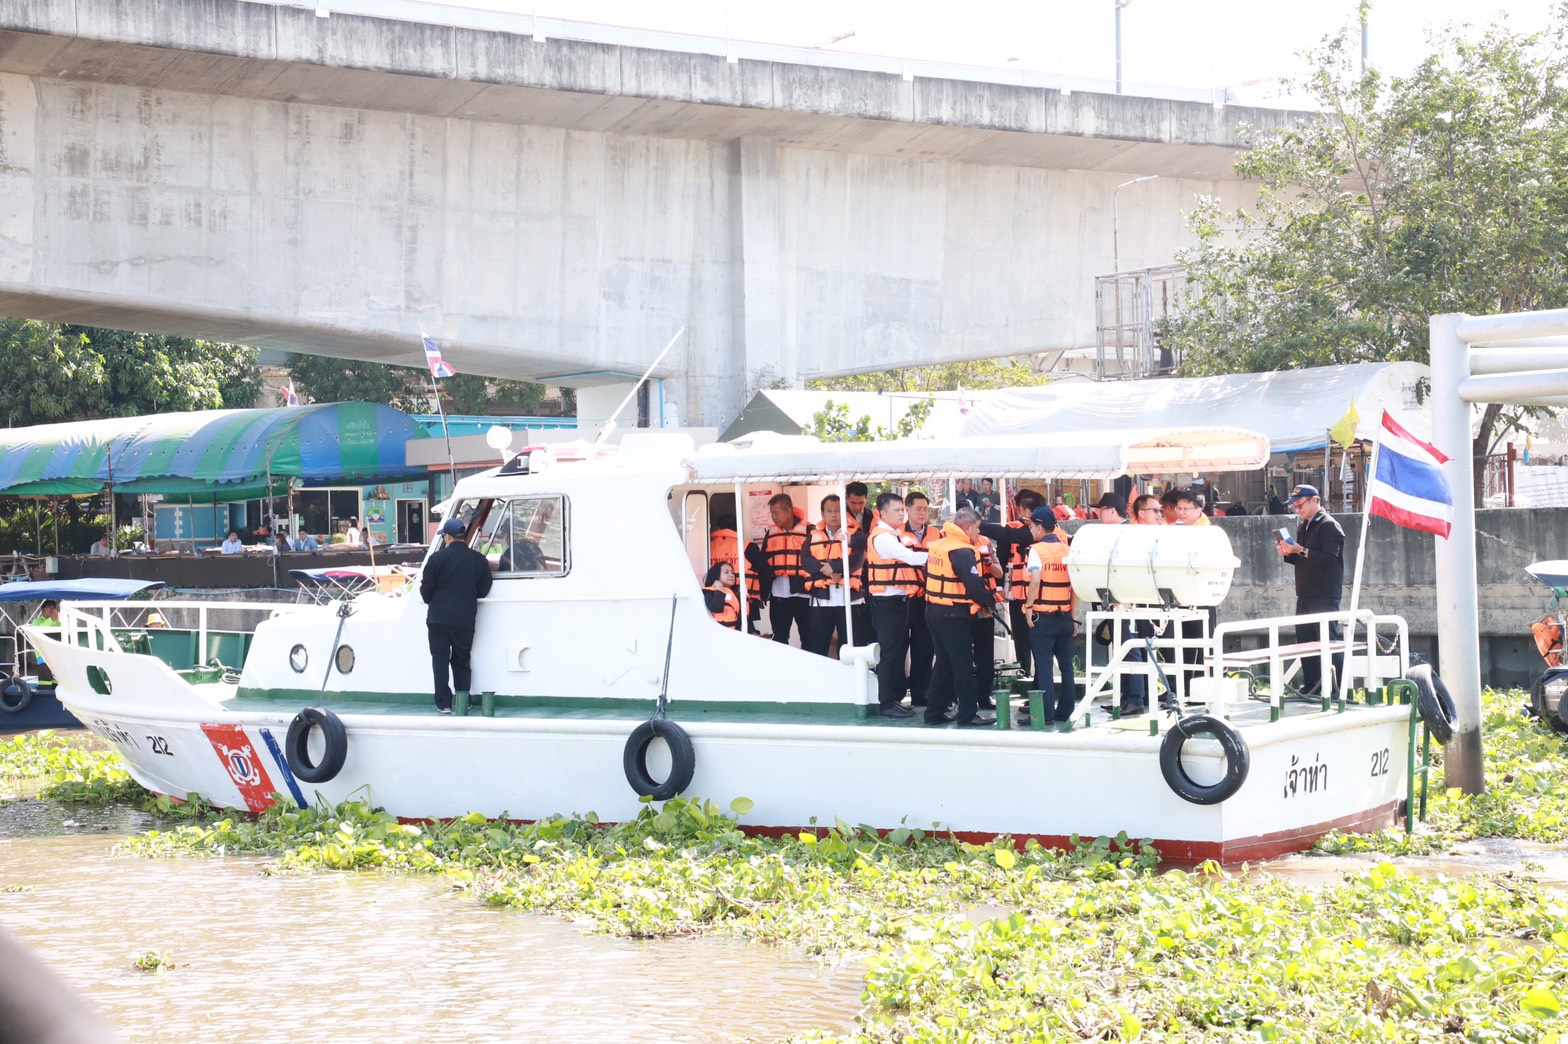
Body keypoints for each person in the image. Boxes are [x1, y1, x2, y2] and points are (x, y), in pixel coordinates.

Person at [922, 508, 999, 728]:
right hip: (953, 615)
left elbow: (928, 573)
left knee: (944, 663)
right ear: (967, 527)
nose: (978, 533)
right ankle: (967, 715)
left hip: (934, 610)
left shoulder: (939, 545)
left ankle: (934, 713)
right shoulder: (962, 550)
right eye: (977, 528)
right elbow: (973, 584)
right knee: (963, 665)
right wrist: (989, 603)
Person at [1275, 483, 1346, 695]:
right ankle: (1312, 686)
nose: (1297, 510)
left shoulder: (1329, 525)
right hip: (1305, 592)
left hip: (1324, 594)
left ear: (1315, 500)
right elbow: (1302, 558)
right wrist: (1289, 552)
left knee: (1328, 641)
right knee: (1305, 642)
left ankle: (1337, 689)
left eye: (1300, 505)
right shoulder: (1304, 526)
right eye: (1295, 506)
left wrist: (1301, 550)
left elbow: (1330, 559)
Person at [419, 517, 494, 714]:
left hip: (438, 619)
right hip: (464, 619)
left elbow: (426, 592)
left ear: (448, 536)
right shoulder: (478, 560)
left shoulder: (436, 559)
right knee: (462, 659)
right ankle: (463, 700)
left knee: (440, 660)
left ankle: (444, 703)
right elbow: (484, 588)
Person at [865, 492, 928, 718]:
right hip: (887, 603)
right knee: (890, 652)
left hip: (898, 602)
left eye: (902, 510)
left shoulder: (894, 535)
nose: (902, 514)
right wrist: (941, 556)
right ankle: (886, 702)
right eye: (897, 510)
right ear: (883, 513)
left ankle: (891, 699)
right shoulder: (883, 537)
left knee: (896, 651)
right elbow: (911, 558)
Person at [1021, 508, 1078, 724]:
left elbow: (1035, 580)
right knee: (1066, 666)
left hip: (1043, 617)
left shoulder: (1036, 550)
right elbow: (1075, 587)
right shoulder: (1068, 550)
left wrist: (1028, 607)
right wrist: (1072, 616)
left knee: (1044, 666)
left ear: (1039, 527)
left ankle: (1044, 714)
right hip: (1064, 616)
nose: (1030, 530)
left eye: (1031, 527)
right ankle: (1066, 710)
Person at [802, 494, 866, 657]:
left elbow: (857, 560)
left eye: (837, 510)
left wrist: (834, 567)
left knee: (851, 647)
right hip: (821, 599)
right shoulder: (813, 536)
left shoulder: (855, 533)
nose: (833, 514)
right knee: (817, 648)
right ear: (822, 514)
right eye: (829, 511)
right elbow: (805, 560)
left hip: (849, 599)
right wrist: (825, 570)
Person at [904, 491, 941, 708]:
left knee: (925, 647)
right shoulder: (896, 533)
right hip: (903, 598)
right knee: (898, 647)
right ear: (907, 509)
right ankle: (897, 693)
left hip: (927, 598)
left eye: (925, 509)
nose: (922, 513)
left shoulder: (936, 533)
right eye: (918, 509)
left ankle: (921, 693)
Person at [761, 494, 812, 646]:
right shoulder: (771, 533)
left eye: (776, 513)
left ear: (788, 511)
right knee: (779, 638)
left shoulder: (810, 531)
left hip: (804, 593)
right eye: (772, 513)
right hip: (778, 595)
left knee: (809, 636)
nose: (773, 517)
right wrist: (763, 592)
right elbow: (763, 562)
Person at [702, 562, 742, 630]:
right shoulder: (709, 592)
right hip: (718, 633)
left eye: (732, 573)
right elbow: (716, 608)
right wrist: (719, 589)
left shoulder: (737, 594)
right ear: (716, 575)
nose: (731, 575)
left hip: (735, 633)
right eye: (726, 572)